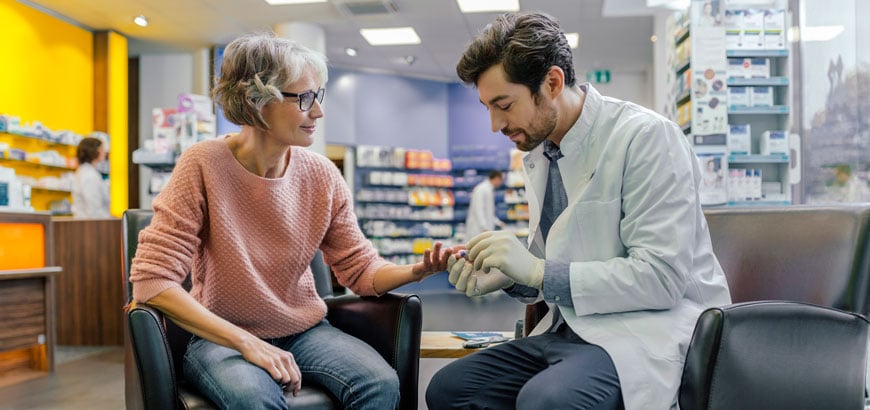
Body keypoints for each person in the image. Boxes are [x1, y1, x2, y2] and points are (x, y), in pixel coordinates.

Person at [128, 32, 451, 410]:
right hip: (222, 339)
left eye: (319, 96)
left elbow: (360, 270)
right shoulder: (202, 164)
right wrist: (247, 342)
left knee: (380, 384)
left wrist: (416, 270)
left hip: (305, 331)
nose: (319, 112)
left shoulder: (322, 174)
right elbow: (151, 282)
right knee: (253, 399)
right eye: (305, 99)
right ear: (256, 99)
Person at [427, 11, 731, 410]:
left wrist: (536, 271)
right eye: (487, 107)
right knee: (450, 390)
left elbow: (660, 278)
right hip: (571, 329)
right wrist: (508, 278)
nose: (494, 124)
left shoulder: (646, 138)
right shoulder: (540, 152)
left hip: (644, 330)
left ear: (552, 83)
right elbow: (565, 259)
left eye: (503, 104)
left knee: (547, 401)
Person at [72, 136, 110, 217]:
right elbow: (94, 209)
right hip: (92, 225)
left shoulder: (85, 171)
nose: (104, 152)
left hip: (87, 223)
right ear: (93, 151)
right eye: (102, 149)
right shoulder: (89, 175)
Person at [464, 170, 506, 239]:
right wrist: (483, 226)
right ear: (496, 178)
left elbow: (489, 211)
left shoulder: (489, 189)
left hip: (485, 229)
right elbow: (478, 209)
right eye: (500, 180)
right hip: (477, 229)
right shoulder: (481, 189)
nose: (500, 183)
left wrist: (498, 222)